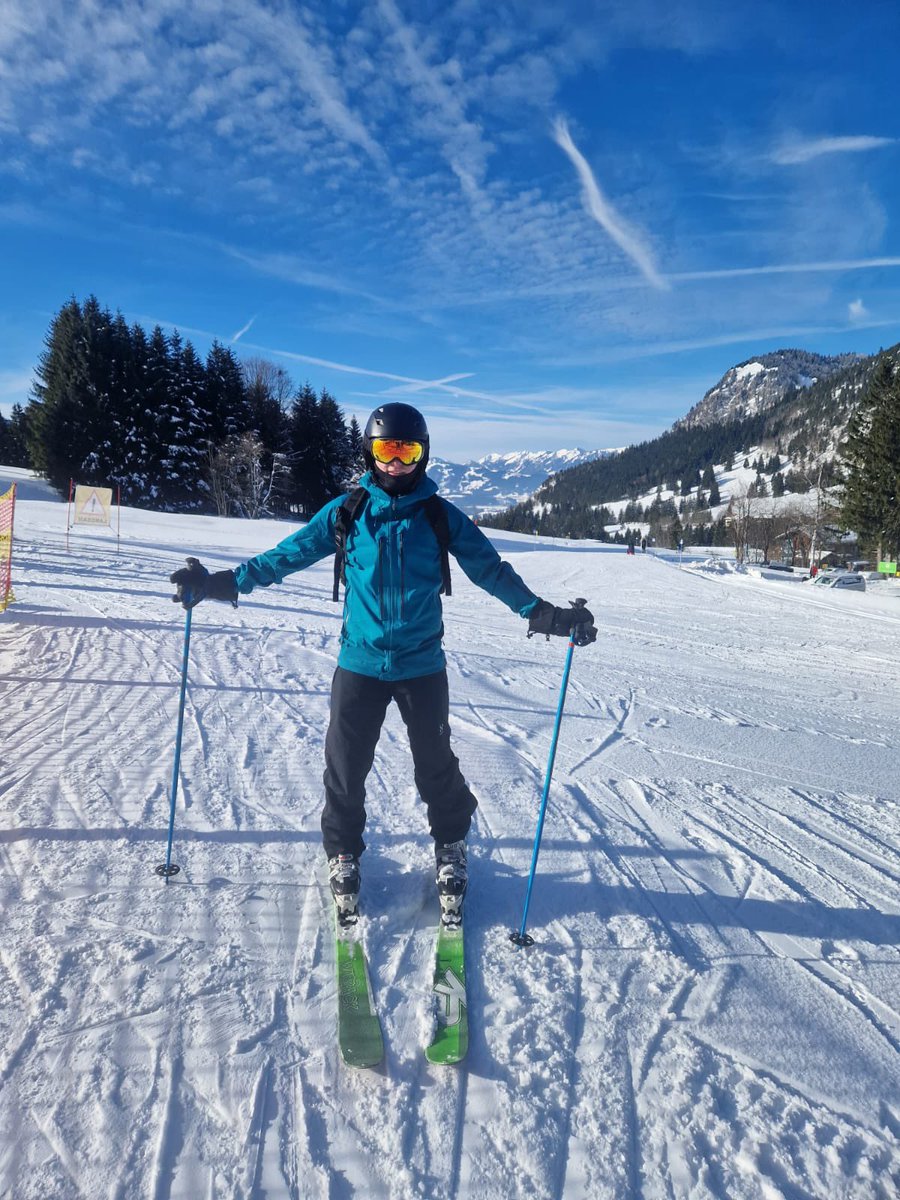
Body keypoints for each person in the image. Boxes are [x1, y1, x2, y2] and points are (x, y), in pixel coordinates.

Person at [169, 403, 596, 928]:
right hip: (361, 663)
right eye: (386, 451)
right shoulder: (348, 512)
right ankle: (344, 853)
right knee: (345, 768)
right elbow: (287, 555)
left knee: (435, 765)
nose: (396, 464)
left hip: (421, 664)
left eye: (407, 452)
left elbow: (491, 569)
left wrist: (544, 614)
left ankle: (451, 847)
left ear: (423, 454)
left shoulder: (439, 515)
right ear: (370, 453)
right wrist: (222, 583)